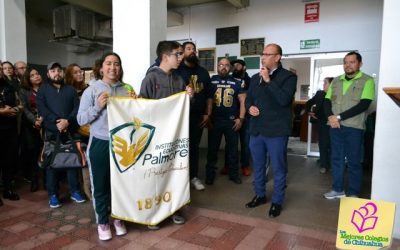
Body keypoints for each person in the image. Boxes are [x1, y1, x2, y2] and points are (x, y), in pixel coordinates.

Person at [77, 52, 134, 241]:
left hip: (122, 144)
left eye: (116, 63)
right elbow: (80, 119)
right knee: (100, 186)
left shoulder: (126, 89)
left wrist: (136, 104)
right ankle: (102, 222)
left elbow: (134, 119)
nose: (113, 67)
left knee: (119, 185)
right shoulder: (91, 90)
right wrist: (97, 107)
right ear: (101, 68)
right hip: (100, 144)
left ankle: (118, 218)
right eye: (108, 63)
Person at [140, 40, 193, 230]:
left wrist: (189, 98)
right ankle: (153, 214)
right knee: (155, 176)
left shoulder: (179, 80)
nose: (181, 58)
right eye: (177, 54)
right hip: (155, 140)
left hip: (175, 139)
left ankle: (174, 208)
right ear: (165, 57)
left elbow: (183, 110)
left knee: (175, 174)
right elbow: (142, 109)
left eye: (181, 54)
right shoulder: (150, 79)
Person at [245, 43, 297, 218]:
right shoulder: (254, 77)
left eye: (268, 54)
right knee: (258, 166)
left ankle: (277, 201)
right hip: (257, 130)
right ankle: (260, 195)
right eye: (263, 54)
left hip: (276, 131)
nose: (263, 57)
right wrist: (250, 107)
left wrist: (268, 80)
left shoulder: (289, 77)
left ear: (277, 57)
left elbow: (283, 100)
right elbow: (248, 99)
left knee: (279, 168)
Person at [323, 51, 375, 199]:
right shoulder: (337, 81)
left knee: (353, 161)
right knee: (337, 159)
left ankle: (353, 192)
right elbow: (327, 101)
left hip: (354, 128)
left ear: (360, 64)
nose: (348, 65)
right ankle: (337, 189)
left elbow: (364, 104)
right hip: (335, 127)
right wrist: (331, 117)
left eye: (352, 62)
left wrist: (338, 117)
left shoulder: (367, 81)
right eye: (346, 62)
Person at [36, 62, 86, 208]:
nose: (56, 73)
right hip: (52, 132)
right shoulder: (43, 89)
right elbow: (42, 108)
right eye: (53, 71)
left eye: (59, 70)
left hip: (69, 131)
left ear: (63, 73)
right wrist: (57, 121)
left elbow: (77, 108)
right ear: (48, 74)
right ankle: (53, 195)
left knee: (72, 162)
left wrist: (67, 121)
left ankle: (75, 191)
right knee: (52, 164)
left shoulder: (70, 89)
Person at [204, 58, 246, 186]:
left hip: (231, 121)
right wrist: (207, 115)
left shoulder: (237, 82)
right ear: (217, 66)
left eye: (227, 65)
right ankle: (209, 175)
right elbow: (208, 100)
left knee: (233, 150)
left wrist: (241, 118)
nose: (224, 67)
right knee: (212, 150)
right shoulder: (211, 81)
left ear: (230, 68)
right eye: (221, 65)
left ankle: (233, 175)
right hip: (215, 121)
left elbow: (243, 101)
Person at [176, 41, 210, 191]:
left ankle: (194, 177)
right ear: (182, 52)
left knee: (194, 148)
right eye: (188, 49)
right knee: (180, 148)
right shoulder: (177, 71)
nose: (192, 51)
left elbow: (209, 96)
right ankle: (179, 179)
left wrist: (207, 114)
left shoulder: (203, 72)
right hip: (180, 117)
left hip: (198, 117)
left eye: (194, 49)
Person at [65, 63, 91, 200]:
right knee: (77, 161)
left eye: (80, 71)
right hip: (74, 129)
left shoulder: (89, 89)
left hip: (89, 129)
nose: (80, 74)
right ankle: (76, 190)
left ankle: (89, 191)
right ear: (69, 75)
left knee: (86, 161)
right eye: (75, 72)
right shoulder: (67, 91)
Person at [221, 59, 252, 177]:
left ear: (244, 67)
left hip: (246, 117)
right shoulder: (229, 79)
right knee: (230, 143)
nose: (235, 67)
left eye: (238, 65)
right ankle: (227, 165)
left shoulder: (250, 81)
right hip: (232, 116)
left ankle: (245, 166)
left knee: (245, 143)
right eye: (233, 65)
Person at [20, 67, 44, 192]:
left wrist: (42, 119)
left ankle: (46, 180)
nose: (36, 76)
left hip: (45, 123)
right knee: (33, 152)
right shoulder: (24, 91)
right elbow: (24, 109)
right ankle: (34, 180)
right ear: (28, 79)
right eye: (32, 75)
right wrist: (34, 121)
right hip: (30, 126)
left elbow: (49, 105)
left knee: (45, 152)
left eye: (37, 73)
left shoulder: (46, 88)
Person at [0, 76, 23, 201]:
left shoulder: (9, 86)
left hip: (10, 130)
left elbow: (20, 105)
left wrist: (12, 110)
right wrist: (1, 111)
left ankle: (8, 190)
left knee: (8, 161)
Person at [306, 77, 333, 174]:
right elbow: (309, 103)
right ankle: (324, 165)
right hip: (321, 123)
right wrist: (309, 112)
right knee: (323, 144)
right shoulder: (320, 93)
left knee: (332, 144)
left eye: (325, 83)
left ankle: (330, 163)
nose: (323, 85)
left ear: (331, 85)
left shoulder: (336, 94)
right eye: (323, 83)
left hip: (333, 123)